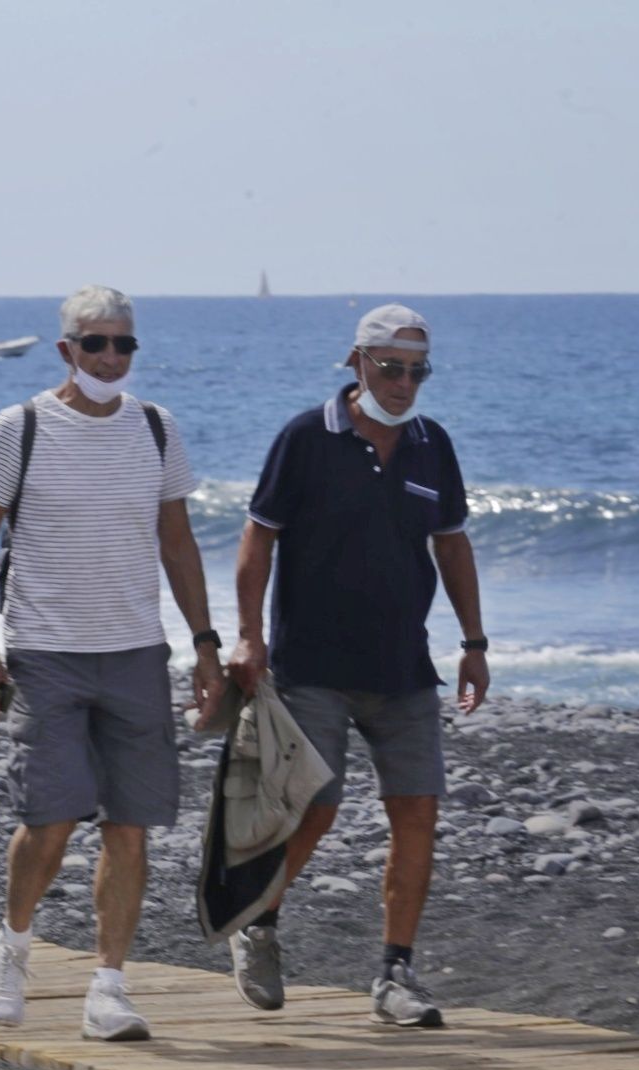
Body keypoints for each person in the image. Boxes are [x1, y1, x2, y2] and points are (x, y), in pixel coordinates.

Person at [0, 284, 224, 1041]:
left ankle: (108, 986)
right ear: (65, 349)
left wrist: (205, 644)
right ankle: (11, 944)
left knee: (130, 827)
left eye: (123, 343)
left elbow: (177, 542)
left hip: (137, 651)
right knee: (49, 818)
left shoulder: (157, 429)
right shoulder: (22, 427)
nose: (111, 356)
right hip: (45, 654)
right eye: (95, 342)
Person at [224, 304, 489, 1028]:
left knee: (417, 813)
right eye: (389, 367)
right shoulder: (305, 437)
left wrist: (473, 643)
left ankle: (394, 975)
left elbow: (452, 544)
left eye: (415, 371)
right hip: (310, 663)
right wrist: (247, 638)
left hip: (403, 665)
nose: (403, 384)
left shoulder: (433, 445)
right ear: (356, 362)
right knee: (315, 805)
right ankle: (258, 926)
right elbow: (257, 542)